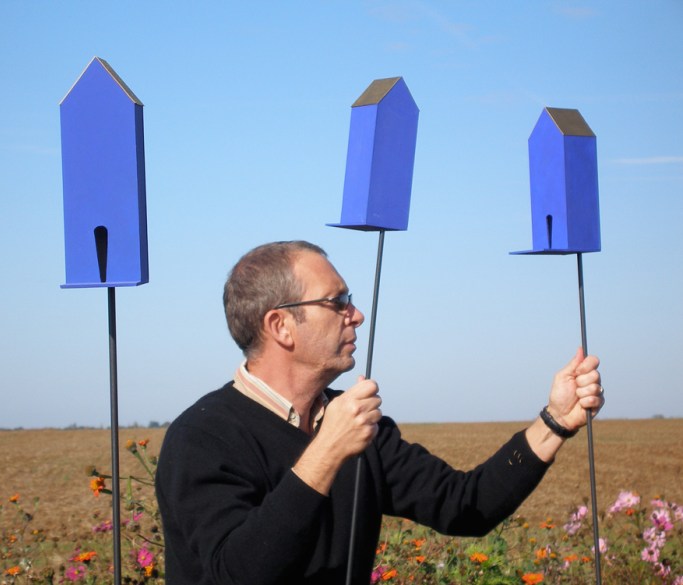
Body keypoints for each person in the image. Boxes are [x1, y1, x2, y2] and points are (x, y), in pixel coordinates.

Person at [155, 240, 604, 585]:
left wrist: (554, 422)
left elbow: (465, 506)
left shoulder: (357, 428)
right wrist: (326, 452)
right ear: (280, 326)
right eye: (337, 302)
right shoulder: (203, 437)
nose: (357, 315)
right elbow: (235, 574)